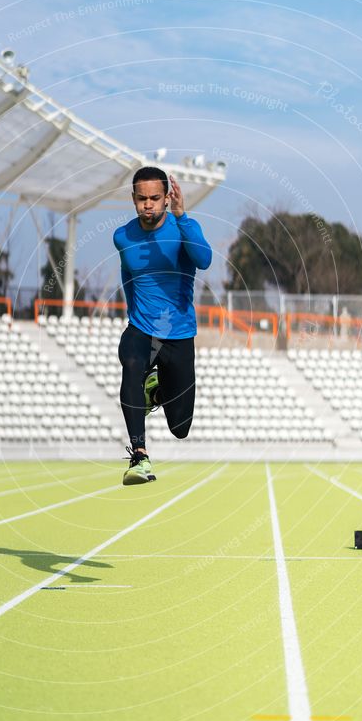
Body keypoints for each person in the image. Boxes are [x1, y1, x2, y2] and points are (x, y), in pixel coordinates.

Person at [113, 166, 212, 485]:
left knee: (180, 428)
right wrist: (135, 316)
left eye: (155, 198)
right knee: (130, 360)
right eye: (141, 198)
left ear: (167, 197)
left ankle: (155, 391)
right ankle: (139, 456)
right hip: (141, 328)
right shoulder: (122, 236)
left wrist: (183, 218)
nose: (148, 205)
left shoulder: (184, 228)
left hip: (180, 335)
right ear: (133, 199)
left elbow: (204, 259)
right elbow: (128, 277)